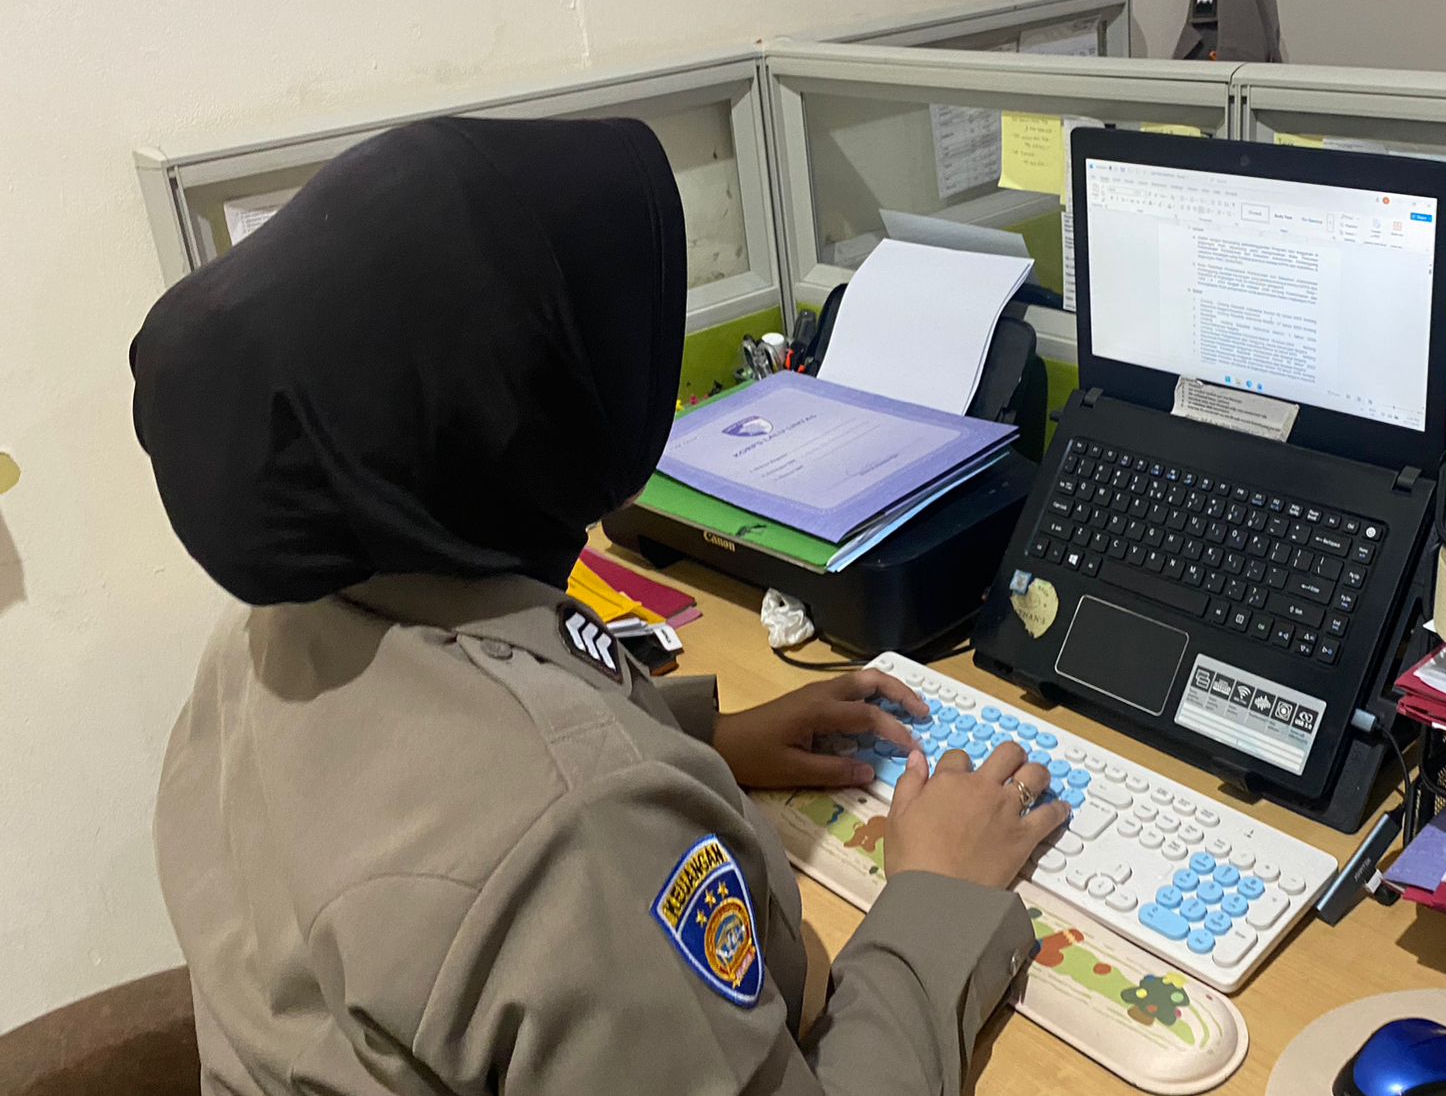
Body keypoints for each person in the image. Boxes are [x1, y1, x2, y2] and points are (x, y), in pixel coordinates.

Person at [132, 115, 1069, 1096]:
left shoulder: (268, 636)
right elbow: (542, 820)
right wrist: (934, 893)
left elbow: (432, 786)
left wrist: (695, 737)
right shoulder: (581, 833)